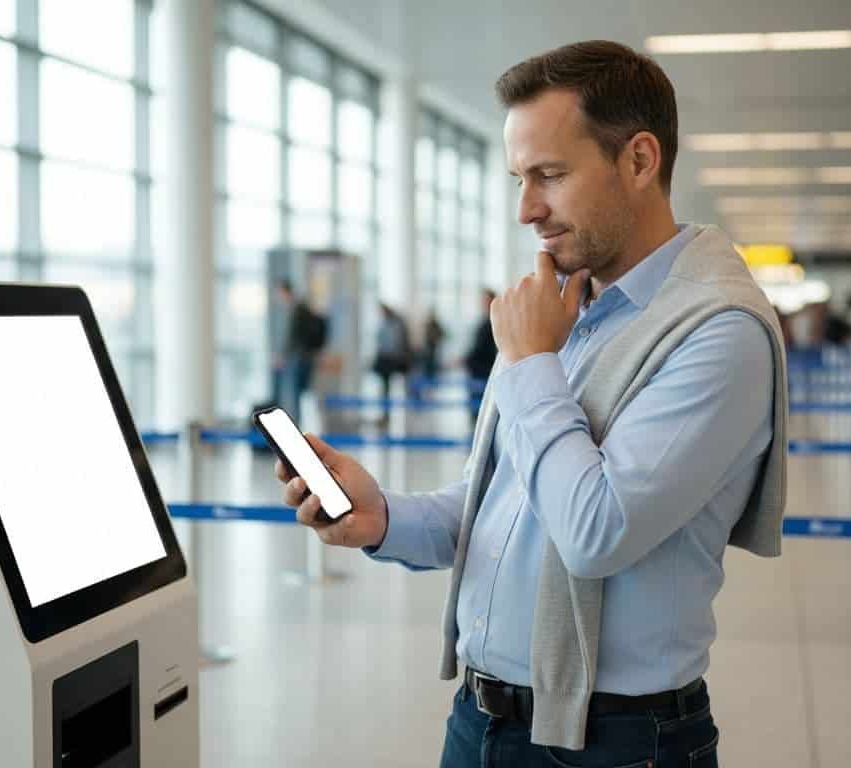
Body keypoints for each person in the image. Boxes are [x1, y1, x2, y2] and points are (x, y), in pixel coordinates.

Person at [274, 41, 789, 767]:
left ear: (640, 161)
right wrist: (383, 517)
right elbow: (510, 507)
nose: (526, 209)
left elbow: (595, 530)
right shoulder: (574, 307)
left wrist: (533, 361)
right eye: (519, 177)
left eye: (549, 174)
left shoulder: (719, 332)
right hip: (484, 722)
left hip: (613, 743)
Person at [272, 280, 326, 419]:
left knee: (293, 392)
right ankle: (297, 421)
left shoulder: (296, 309)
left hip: (297, 357)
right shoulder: (302, 307)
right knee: (298, 392)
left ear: (284, 292)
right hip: (304, 355)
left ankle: (295, 422)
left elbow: (292, 336)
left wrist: (282, 356)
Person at [372, 303, 412, 425]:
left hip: (392, 360)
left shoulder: (395, 325)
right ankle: (385, 415)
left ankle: (392, 413)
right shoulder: (388, 323)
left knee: (390, 388)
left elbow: (394, 343)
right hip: (387, 359)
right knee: (385, 389)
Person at [463, 289, 498, 421]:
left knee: (481, 413)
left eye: (485, 300)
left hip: (484, 372)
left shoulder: (492, 323)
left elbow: (482, 350)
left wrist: (466, 360)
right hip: (478, 371)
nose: (482, 304)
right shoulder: (484, 323)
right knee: (476, 413)